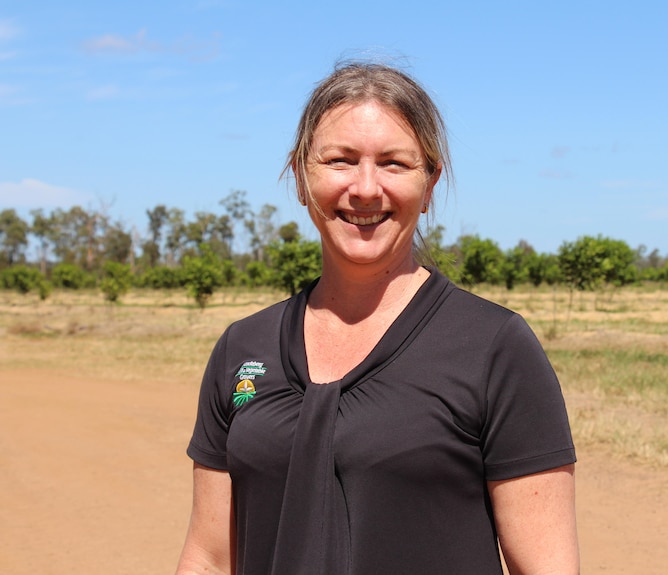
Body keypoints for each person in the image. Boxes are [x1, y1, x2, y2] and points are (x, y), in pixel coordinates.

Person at [176, 62, 579, 575]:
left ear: (430, 185)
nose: (366, 189)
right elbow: (209, 558)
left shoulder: (493, 348)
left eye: (393, 164)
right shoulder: (243, 349)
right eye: (340, 161)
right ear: (301, 177)